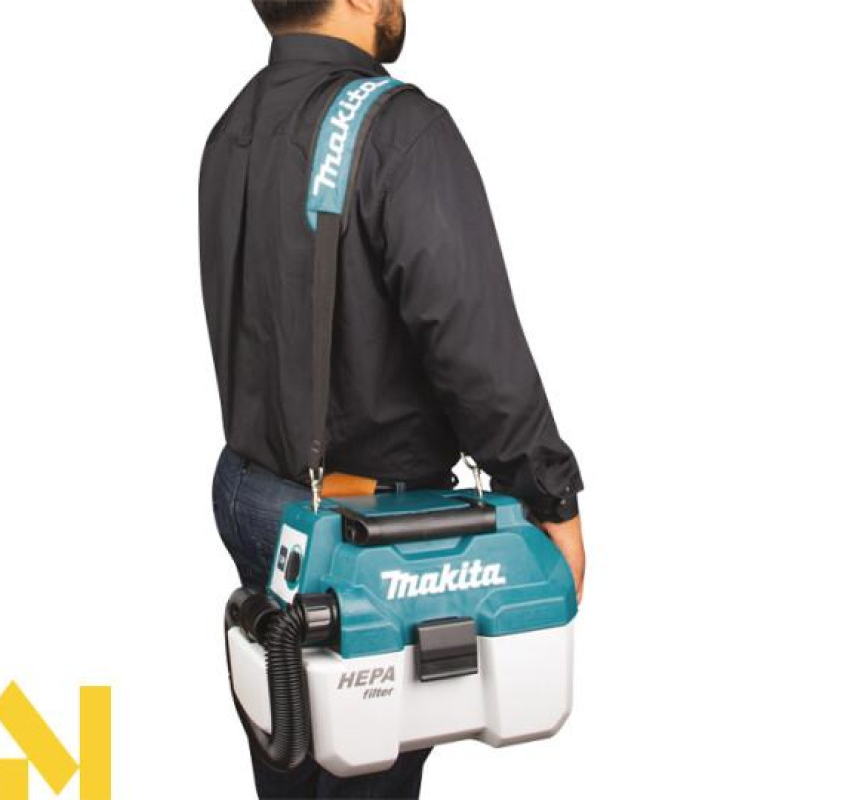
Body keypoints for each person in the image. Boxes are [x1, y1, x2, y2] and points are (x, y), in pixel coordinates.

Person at [199, 1, 586, 797]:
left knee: (293, 750)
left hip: (250, 494)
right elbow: (472, 340)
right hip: (364, 531)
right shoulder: (401, 131)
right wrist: (550, 496)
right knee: (363, 764)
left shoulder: (231, 130)